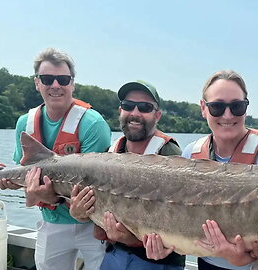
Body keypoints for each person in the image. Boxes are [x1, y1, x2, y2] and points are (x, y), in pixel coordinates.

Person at [169, 70, 258, 270]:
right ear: (203, 108)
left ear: (246, 107)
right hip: (209, 264)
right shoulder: (190, 153)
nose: (227, 115)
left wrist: (239, 256)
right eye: (217, 107)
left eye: (237, 106)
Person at [0, 48, 112, 269]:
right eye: (47, 79)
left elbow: (97, 187)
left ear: (73, 84)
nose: (55, 85)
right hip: (51, 222)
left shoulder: (93, 123)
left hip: (93, 223)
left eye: (63, 79)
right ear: (37, 83)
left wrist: (51, 197)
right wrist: (8, 181)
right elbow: (25, 178)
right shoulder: (24, 124)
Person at [69, 80, 185, 270]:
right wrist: (79, 213)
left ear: (157, 115)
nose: (135, 113)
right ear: (120, 111)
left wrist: (131, 239)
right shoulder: (110, 152)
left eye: (145, 107)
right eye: (128, 106)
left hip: (157, 262)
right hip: (114, 255)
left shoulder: (170, 154)